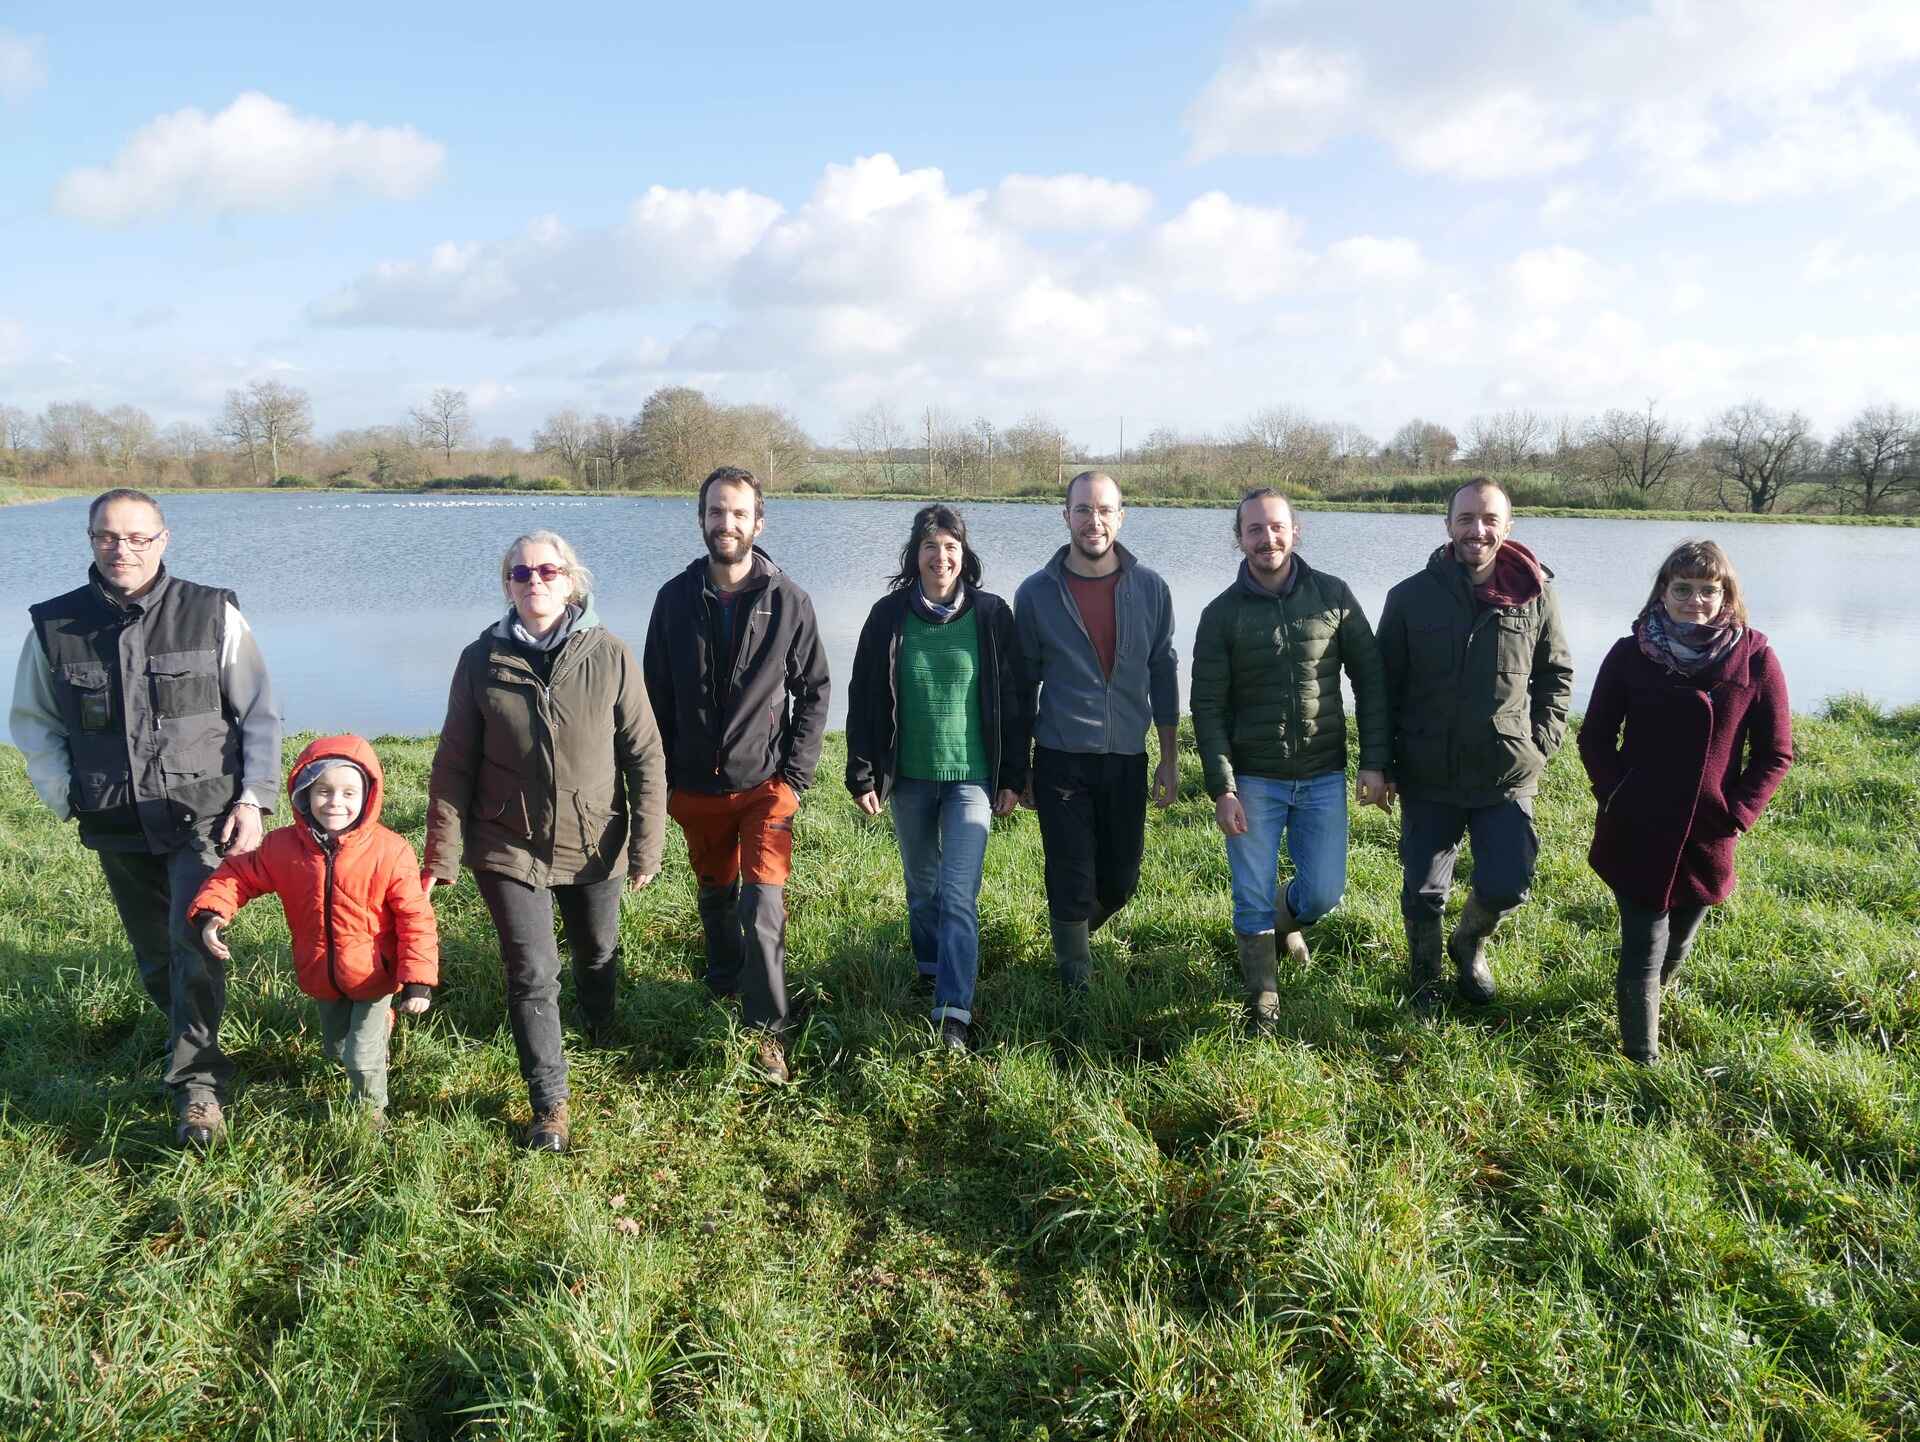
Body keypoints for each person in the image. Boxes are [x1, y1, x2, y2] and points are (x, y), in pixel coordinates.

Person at [9, 488, 281, 1149]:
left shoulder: (212, 612)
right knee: (155, 956)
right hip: (113, 818)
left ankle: (198, 1087)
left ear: (163, 540)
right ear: (90, 539)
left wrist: (253, 799)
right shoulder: (55, 626)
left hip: (204, 814)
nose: (121, 549)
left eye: (137, 537)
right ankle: (189, 1037)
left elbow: (259, 714)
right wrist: (63, 792)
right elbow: (34, 721)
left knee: (193, 940)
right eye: (107, 536)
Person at [424, 531, 665, 1153]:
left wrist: (646, 842)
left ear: (571, 581)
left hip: (593, 839)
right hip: (507, 843)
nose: (535, 582)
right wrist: (443, 854)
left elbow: (644, 754)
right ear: (507, 584)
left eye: (548, 571)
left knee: (596, 952)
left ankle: (601, 1023)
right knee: (533, 972)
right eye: (521, 573)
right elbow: (453, 763)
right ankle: (550, 1103)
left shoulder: (608, 653)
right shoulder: (481, 661)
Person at [643, 466, 830, 1085]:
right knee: (717, 900)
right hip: (694, 788)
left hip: (764, 788)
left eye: (739, 514)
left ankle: (768, 1032)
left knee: (763, 906)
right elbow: (654, 695)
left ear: (759, 522)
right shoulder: (673, 598)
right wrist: (661, 780)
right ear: (701, 519)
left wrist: (795, 779)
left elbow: (815, 691)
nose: (727, 524)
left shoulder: (789, 600)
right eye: (717, 513)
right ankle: (724, 985)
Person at [1579, 540, 1792, 1063]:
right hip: (1638, 826)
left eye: (1707, 590)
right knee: (1644, 947)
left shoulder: (1756, 658)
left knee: (1679, 942)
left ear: (1726, 596)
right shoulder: (1630, 653)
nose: (1695, 600)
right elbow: (1596, 736)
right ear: (1663, 591)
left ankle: (1656, 994)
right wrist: (1615, 793)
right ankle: (1642, 1060)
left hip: (1707, 832)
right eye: (1683, 588)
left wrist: (1737, 814)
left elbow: (1776, 752)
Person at [1190, 489, 1391, 1031]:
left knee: (1324, 891)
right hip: (1254, 779)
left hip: (1324, 773)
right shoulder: (1220, 615)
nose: (1267, 539)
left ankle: (1287, 922)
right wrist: (1223, 787)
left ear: (1295, 531)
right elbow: (1206, 708)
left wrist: (1374, 761)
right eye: (1254, 530)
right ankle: (1263, 995)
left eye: (1276, 527)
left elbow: (1370, 681)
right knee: (1250, 893)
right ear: (1240, 539)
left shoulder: (1334, 595)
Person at [1377, 478, 1574, 1011]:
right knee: (1422, 890)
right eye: (1466, 519)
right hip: (1428, 772)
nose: (1477, 530)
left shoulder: (1536, 595)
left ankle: (1469, 945)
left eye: (1489, 520)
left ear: (1508, 527)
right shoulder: (1408, 597)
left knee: (1510, 882)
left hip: (1506, 772)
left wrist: (1538, 745)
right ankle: (1424, 976)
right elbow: (1381, 689)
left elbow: (1556, 678)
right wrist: (1380, 762)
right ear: (1448, 526)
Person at [845, 504, 1026, 1052]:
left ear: (964, 555)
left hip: (972, 780)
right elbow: (864, 697)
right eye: (930, 546)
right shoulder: (887, 616)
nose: (940, 556)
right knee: (922, 890)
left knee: (957, 893)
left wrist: (1014, 775)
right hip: (911, 779)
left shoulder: (993, 615)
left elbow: (1016, 702)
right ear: (915, 555)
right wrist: (862, 772)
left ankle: (954, 1012)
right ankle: (930, 966)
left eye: (950, 546)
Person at [190, 735, 438, 1125]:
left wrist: (417, 980)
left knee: (360, 1055)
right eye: (324, 791)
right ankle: (372, 1041)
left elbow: (416, 918)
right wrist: (212, 913)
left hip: (377, 974)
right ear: (304, 794)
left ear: (369, 796)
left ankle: (370, 1114)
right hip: (319, 973)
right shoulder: (283, 847)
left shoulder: (391, 851)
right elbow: (238, 875)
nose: (335, 802)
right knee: (337, 1048)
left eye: (348, 792)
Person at [1014, 470, 1179, 995]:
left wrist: (1169, 758)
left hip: (1127, 755)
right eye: (1083, 510)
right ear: (1066, 517)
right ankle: (1074, 983)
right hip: (1062, 755)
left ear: (1121, 516)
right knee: (1069, 873)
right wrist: (1019, 767)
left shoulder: (1151, 588)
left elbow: (1164, 671)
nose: (1094, 521)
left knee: (1121, 880)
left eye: (1104, 510)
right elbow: (1023, 687)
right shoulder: (1037, 593)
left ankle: (1072, 940)